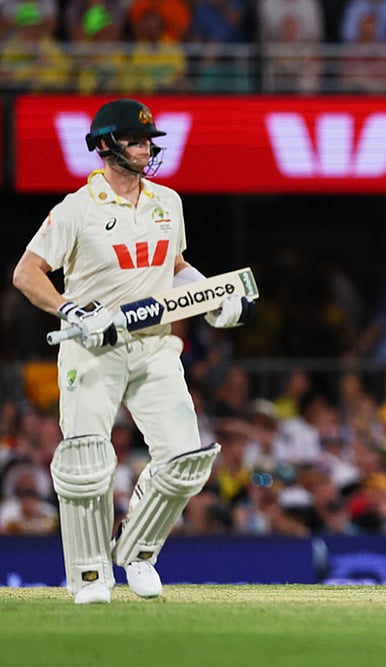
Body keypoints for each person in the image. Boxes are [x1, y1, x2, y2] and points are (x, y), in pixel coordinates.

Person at [11, 98, 254, 604]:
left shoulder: (169, 202)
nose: (147, 147)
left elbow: (177, 266)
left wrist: (213, 297)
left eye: (149, 140)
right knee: (86, 463)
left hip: (155, 345)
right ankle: (90, 576)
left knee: (187, 459)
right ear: (105, 145)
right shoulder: (77, 209)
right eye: (136, 139)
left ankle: (138, 552)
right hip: (92, 348)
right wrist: (71, 310)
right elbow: (26, 273)